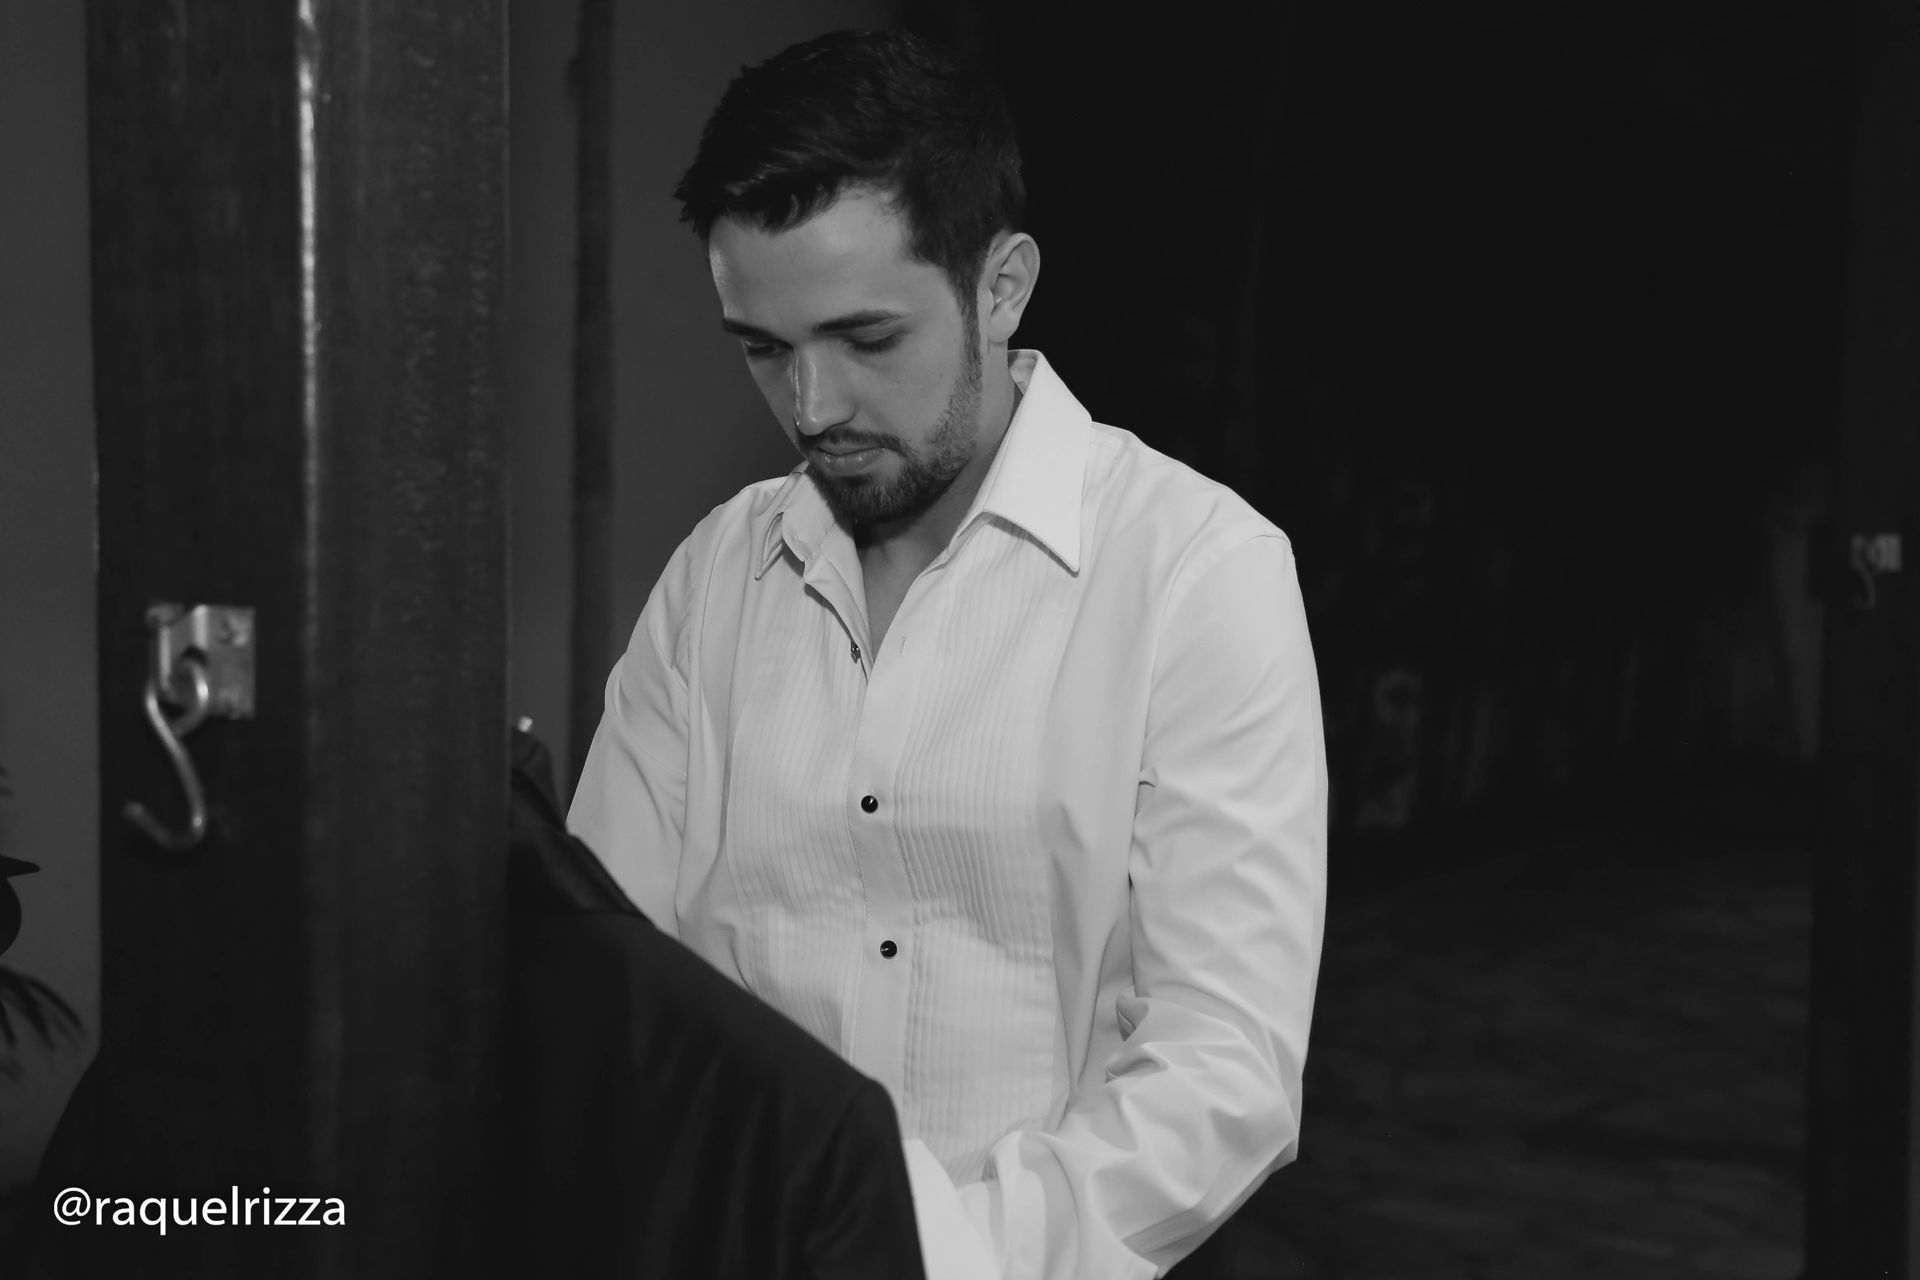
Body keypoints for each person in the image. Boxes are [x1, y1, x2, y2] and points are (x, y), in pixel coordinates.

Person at [568, 28, 1328, 1280]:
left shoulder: (1198, 574)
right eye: (764, 346)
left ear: (1002, 285)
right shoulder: (716, 577)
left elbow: (1220, 1068)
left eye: (866, 339)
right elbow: (614, 980)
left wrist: (913, 1252)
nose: (812, 406)